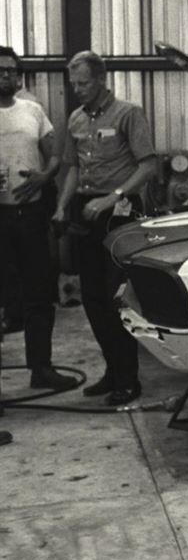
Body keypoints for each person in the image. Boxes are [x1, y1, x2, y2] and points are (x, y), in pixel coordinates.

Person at [52, 51, 158, 406]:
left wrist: (111, 198)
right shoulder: (77, 119)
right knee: (93, 299)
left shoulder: (129, 114)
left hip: (119, 216)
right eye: (74, 83)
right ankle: (113, 372)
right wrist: (62, 205)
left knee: (117, 299)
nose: (77, 89)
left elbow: (147, 166)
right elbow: (71, 168)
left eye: (83, 83)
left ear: (100, 79)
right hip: (87, 211)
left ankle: (129, 378)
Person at [0, 46, 78, 390]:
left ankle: (41, 369)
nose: (6, 76)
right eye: (0, 70)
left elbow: (55, 157)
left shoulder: (32, 111)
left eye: (11, 71)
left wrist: (45, 178)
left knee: (38, 292)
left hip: (31, 215)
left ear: (19, 76)